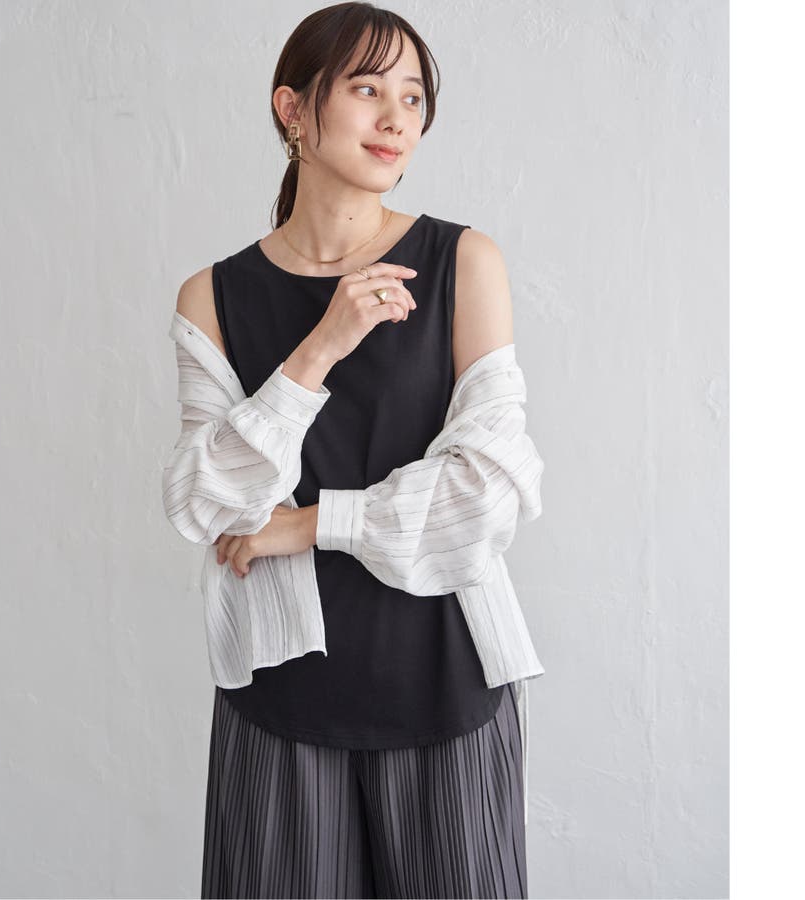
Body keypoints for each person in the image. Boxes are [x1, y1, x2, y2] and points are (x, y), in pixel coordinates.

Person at [166, 4, 545, 897]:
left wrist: (305, 524)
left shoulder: (462, 262)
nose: (396, 117)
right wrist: (321, 348)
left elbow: (488, 492)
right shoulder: (212, 296)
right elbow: (206, 502)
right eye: (368, 89)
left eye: (412, 97)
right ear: (292, 108)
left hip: (448, 686)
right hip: (279, 701)